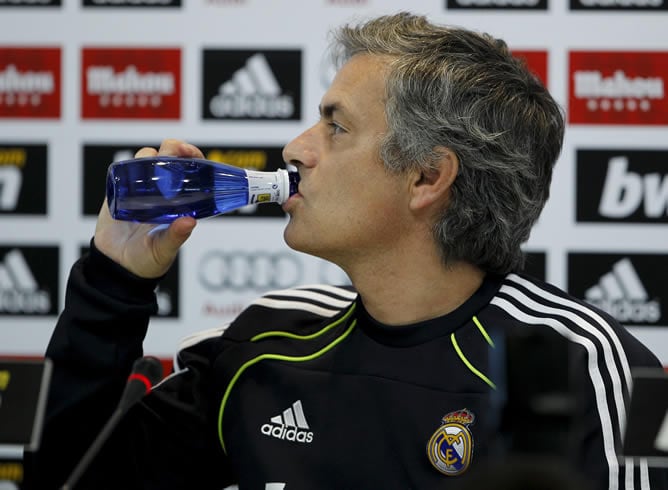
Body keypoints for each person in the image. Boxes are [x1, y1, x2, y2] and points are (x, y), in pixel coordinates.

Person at [24, 12, 667, 490]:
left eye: (336, 126)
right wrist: (114, 281)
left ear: (426, 178)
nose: (297, 149)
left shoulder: (590, 375)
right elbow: (65, 480)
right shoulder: (261, 346)